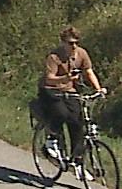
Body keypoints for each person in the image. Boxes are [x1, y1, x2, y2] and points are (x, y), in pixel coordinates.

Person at [35, 26, 104, 175]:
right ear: (63, 42)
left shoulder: (81, 54)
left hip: (69, 91)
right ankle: (51, 139)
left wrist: (98, 89)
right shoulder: (54, 57)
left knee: (78, 121)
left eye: (76, 43)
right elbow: (49, 78)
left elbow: (88, 71)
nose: (74, 46)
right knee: (61, 113)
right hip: (50, 90)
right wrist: (65, 78)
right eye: (70, 43)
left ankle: (76, 160)